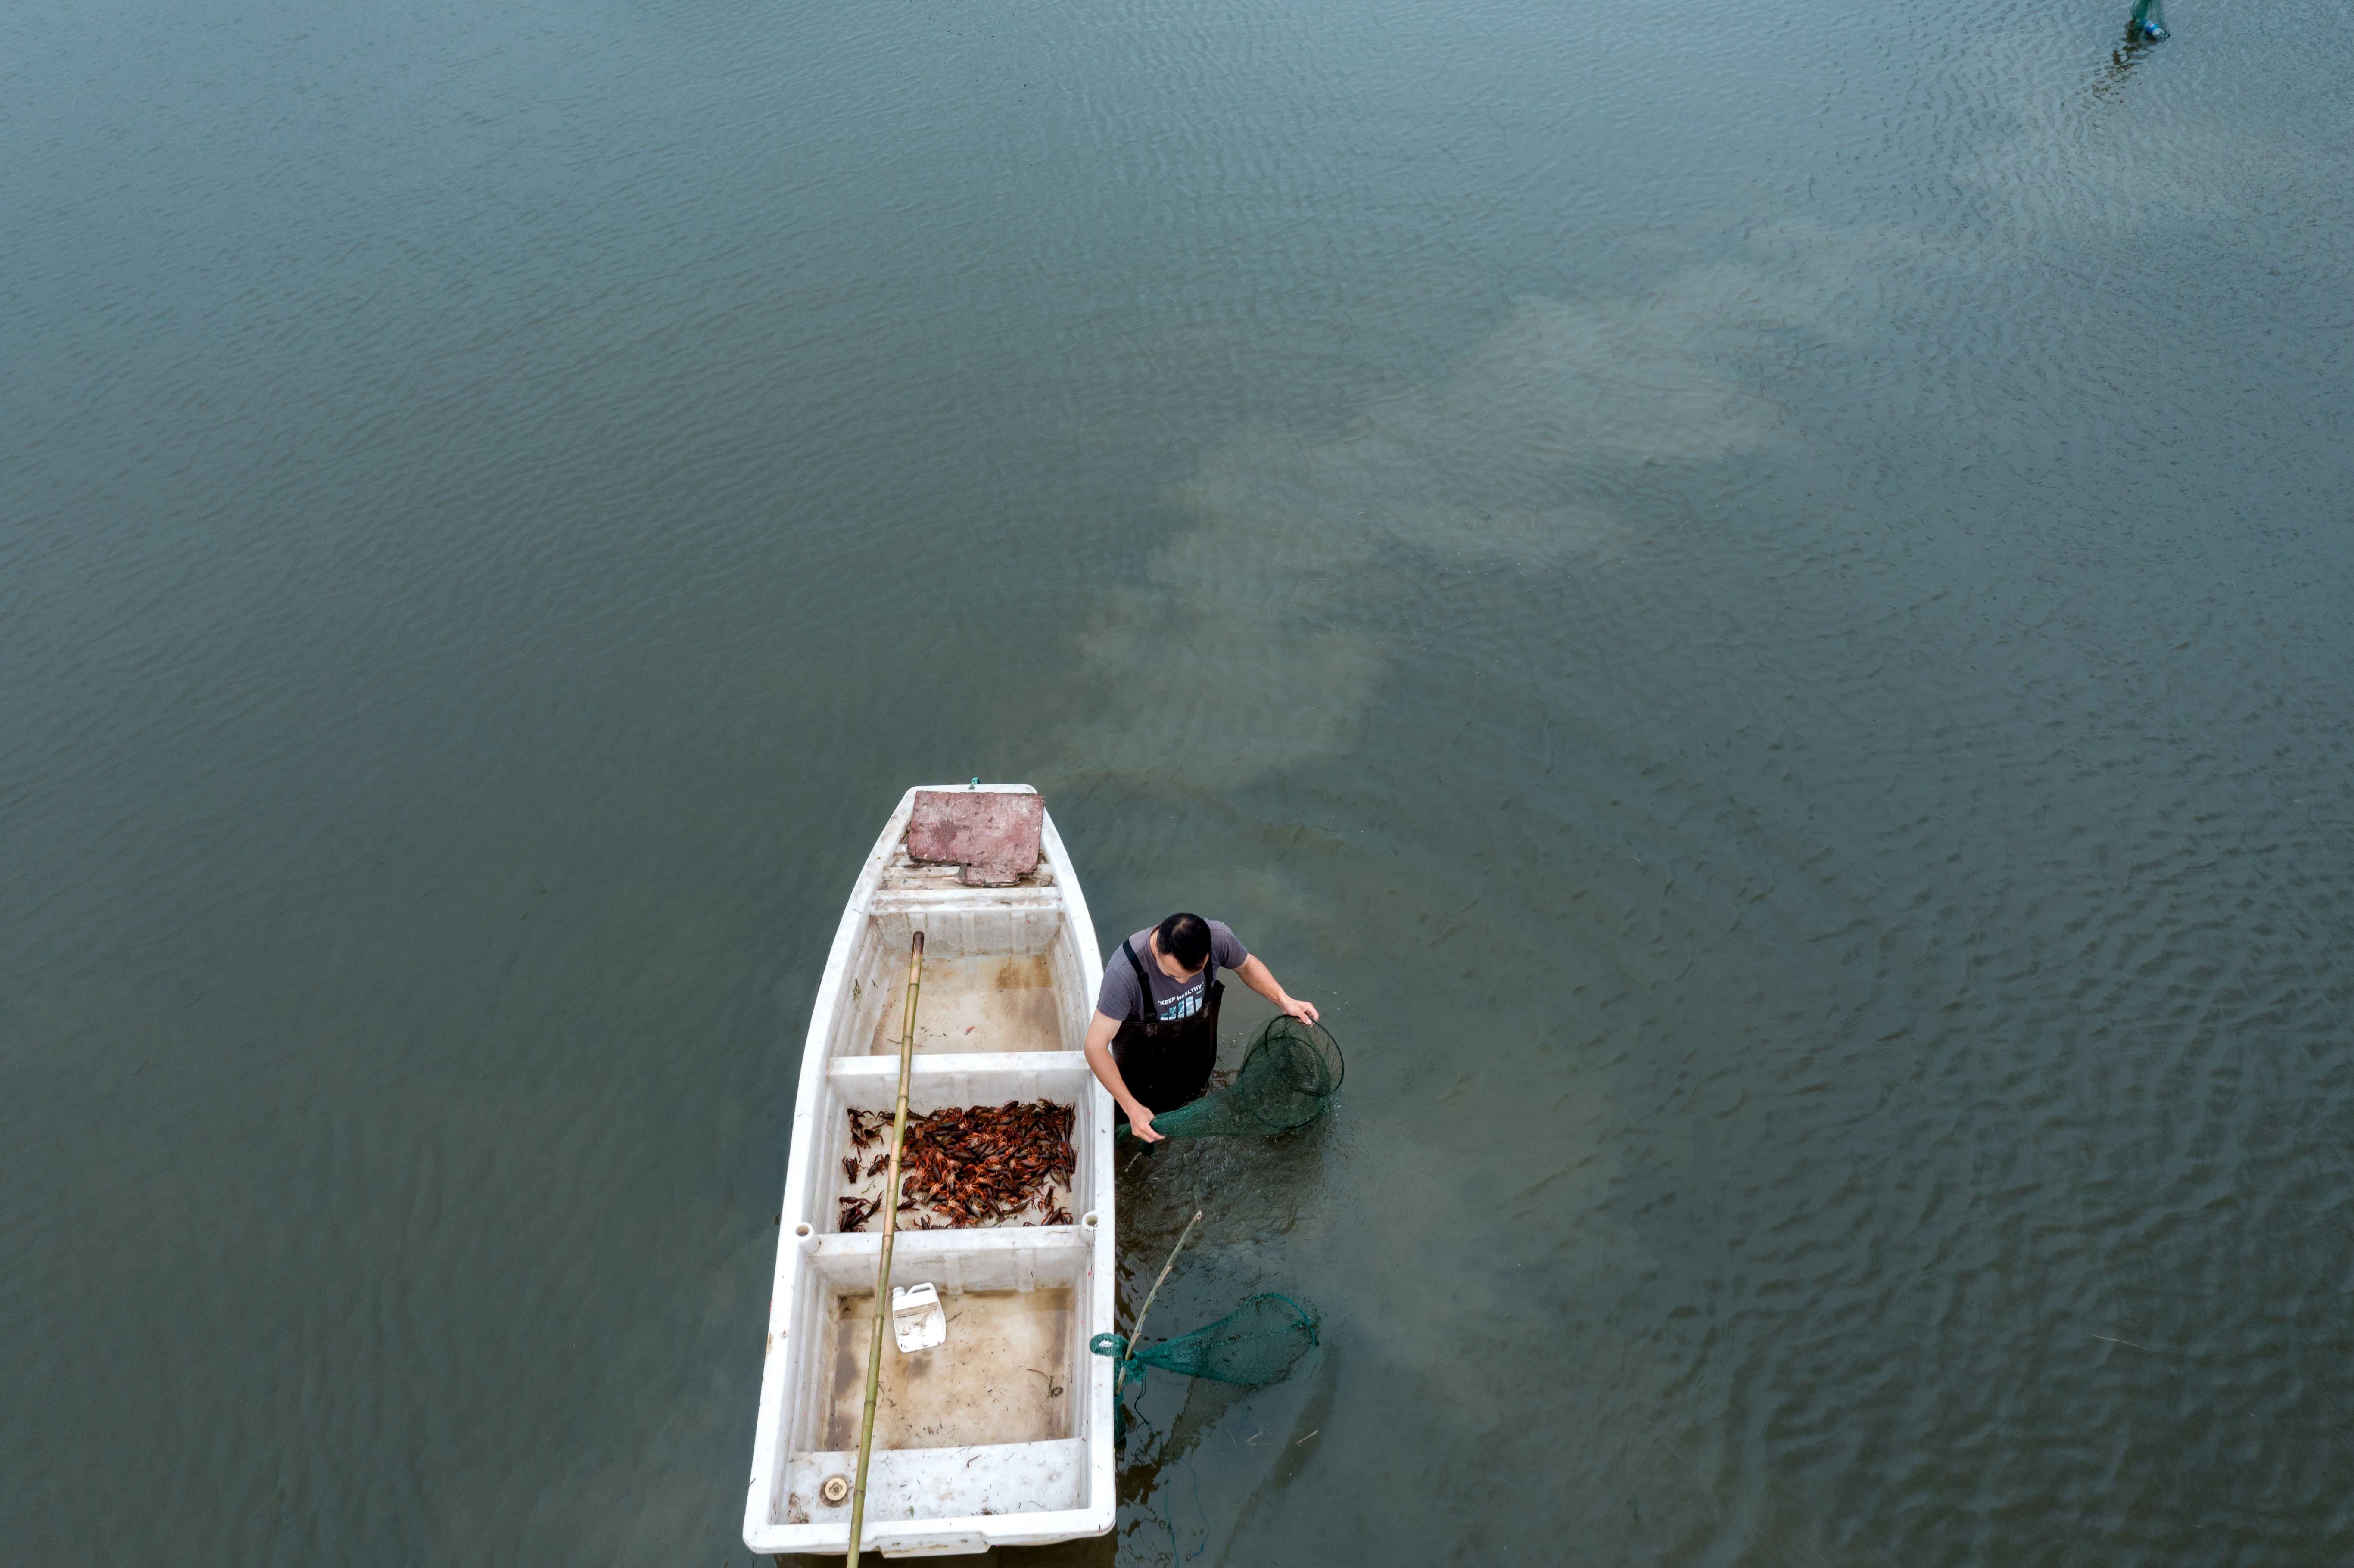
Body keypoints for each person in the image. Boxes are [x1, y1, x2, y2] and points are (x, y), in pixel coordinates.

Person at [1083, 912, 1319, 1142]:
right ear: (1157, 948)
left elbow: (1246, 966)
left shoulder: (1219, 938)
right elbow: (1095, 1046)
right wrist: (1131, 1106)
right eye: (1172, 975)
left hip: (1196, 1057)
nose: (1183, 983)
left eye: (1192, 974)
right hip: (1143, 1077)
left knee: (1198, 1096)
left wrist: (1283, 999)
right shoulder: (1124, 974)